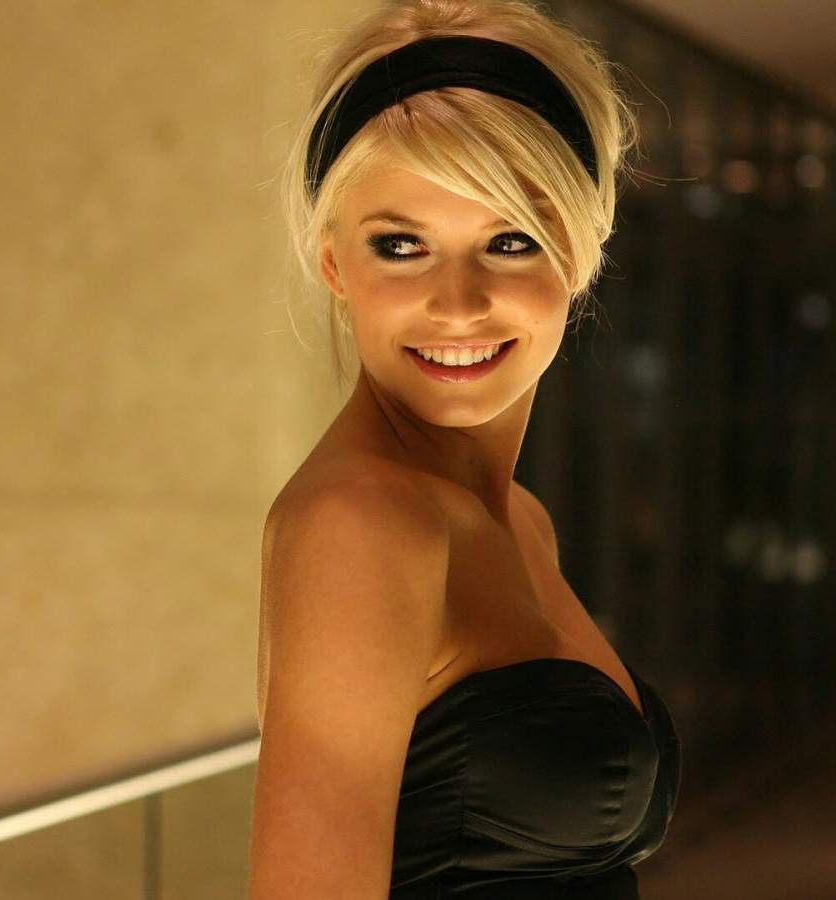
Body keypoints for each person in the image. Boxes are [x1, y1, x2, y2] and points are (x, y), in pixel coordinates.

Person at [248, 1, 681, 897]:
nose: (457, 304)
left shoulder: (520, 519)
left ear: (581, 251)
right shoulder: (361, 524)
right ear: (333, 262)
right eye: (401, 246)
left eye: (510, 240)